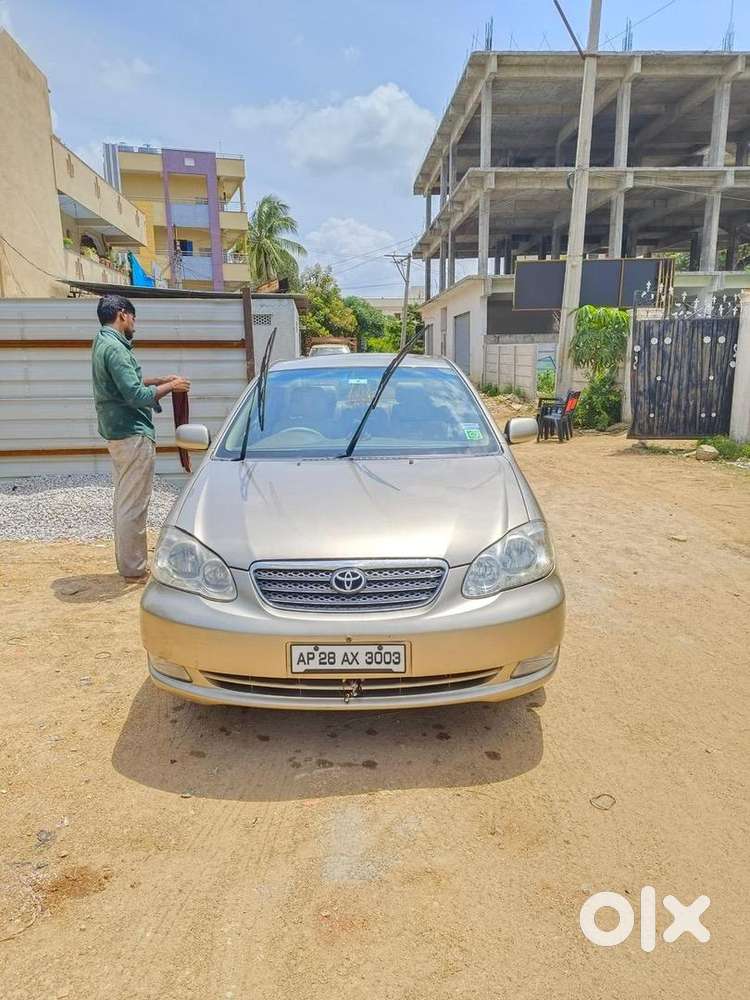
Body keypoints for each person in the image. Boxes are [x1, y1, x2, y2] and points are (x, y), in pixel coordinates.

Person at [91, 295, 190, 582]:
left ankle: (128, 564)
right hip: (132, 433)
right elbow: (134, 396)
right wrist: (172, 386)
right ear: (122, 315)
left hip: (116, 433)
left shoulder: (102, 342)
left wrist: (157, 380)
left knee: (124, 501)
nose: (134, 324)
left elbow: (123, 386)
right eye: (133, 317)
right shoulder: (117, 350)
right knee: (134, 505)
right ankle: (134, 569)